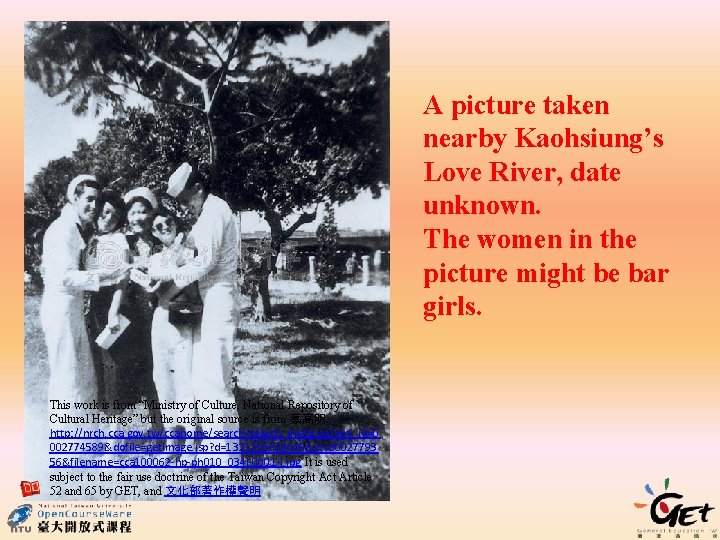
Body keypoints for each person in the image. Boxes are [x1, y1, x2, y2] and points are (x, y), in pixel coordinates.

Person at [149, 163, 239, 418]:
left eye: (185, 200)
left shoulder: (215, 211)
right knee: (204, 381)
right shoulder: (207, 214)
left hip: (219, 297)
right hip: (208, 299)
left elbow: (205, 262)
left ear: (198, 188)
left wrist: (168, 281)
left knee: (216, 383)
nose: (183, 208)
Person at [40, 175, 127, 406]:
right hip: (61, 310)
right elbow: (64, 277)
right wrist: (106, 275)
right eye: (88, 199)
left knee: (79, 376)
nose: (94, 207)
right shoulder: (63, 229)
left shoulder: (75, 229)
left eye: (97, 201)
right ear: (74, 199)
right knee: (67, 378)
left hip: (72, 309)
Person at [147, 207, 198, 427]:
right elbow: (157, 273)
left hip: (182, 317)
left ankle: (190, 442)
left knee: (183, 375)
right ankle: (171, 437)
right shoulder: (155, 256)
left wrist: (177, 250)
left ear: (175, 223)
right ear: (153, 232)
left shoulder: (190, 251)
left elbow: (184, 274)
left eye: (168, 221)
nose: (165, 227)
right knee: (162, 375)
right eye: (158, 226)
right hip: (161, 318)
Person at [112, 186, 161, 407]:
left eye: (142, 211)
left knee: (163, 370)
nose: (137, 217)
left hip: (161, 313)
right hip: (137, 318)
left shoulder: (161, 240)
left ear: (152, 213)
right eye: (132, 212)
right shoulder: (125, 243)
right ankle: (157, 427)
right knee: (145, 372)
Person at [83, 191, 130, 405]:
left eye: (115, 215)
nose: (109, 218)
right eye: (106, 211)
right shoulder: (91, 239)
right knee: (97, 361)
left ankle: (114, 427)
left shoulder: (119, 239)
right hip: (94, 302)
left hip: (112, 300)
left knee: (112, 362)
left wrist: (113, 312)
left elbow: (123, 278)